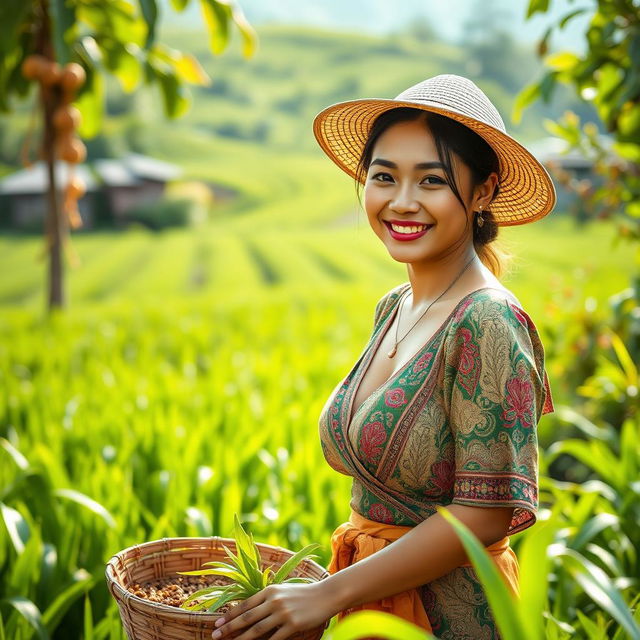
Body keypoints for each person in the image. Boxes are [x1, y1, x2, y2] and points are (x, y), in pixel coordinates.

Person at [211, 74, 556, 640]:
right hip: (371, 605)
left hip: (454, 618)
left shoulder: (487, 321)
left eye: (433, 180)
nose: (402, 202)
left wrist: (328, 593)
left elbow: (486, 512)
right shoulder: (395, 307)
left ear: (484, 192)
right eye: (384, 176)